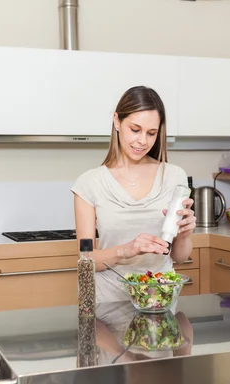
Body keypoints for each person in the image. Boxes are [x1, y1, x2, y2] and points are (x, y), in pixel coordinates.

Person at [71, 85, 197, 303]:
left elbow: (179, 256)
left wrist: (185, 234)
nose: (143, 141)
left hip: (159, 301)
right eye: (135, 129)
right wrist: (126, 250)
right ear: (117, 121)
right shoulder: (89, 184)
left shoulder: (175, 177)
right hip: (107, 303)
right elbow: (85, 258)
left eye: (151, 133)